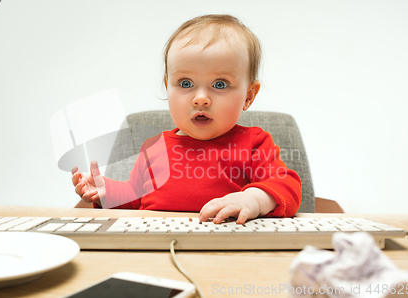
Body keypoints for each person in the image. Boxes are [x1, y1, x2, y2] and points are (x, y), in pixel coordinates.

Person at [71, 14, 301, 224]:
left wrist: (252, 200)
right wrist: (106, 192)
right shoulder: (154, 148)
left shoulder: (254, 144)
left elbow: (287, 187)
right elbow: (134, 198)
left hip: (226, 246)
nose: (200, 99)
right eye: (185, 83)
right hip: (156, 245)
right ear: (168, 87)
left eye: (219, 84)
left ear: (248, 96)